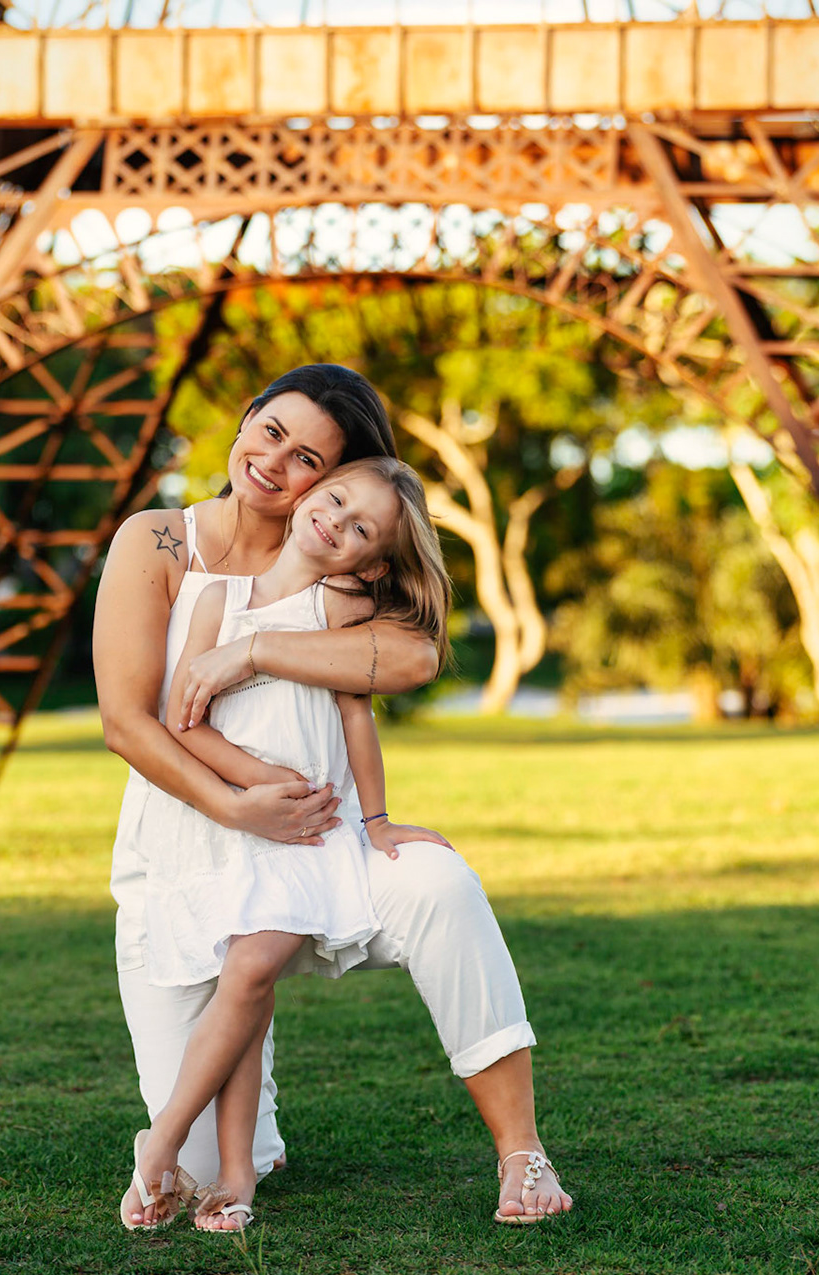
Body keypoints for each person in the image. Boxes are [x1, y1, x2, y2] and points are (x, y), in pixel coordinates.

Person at [94, 363, 573, 1227]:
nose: (277, 463)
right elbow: (131, 726)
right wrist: (237, 804)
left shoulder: (347, 575)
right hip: (189, 849)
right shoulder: (161, 543)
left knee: (438, 884)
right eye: (271, 431)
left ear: (340, 478)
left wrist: (256, 652)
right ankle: (240, 1138)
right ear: (245, 420)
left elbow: (417, 659)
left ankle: (523, 1157)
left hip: (318, 838)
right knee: (206, 1169)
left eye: (310, 458)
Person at [123, 457, 453, 1232]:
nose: (335, 520)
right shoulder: (214, 599)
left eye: (361, 528)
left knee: (251, 968)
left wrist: (375, 823)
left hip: (310, 832)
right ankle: (233, 1171)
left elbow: (356, 718)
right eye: (336, 498)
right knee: (247, 989)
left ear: (370, 561)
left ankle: (162, 1139)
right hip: (239, 825)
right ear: (310, 494)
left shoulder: (340, 607)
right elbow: (183, 720)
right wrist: (255, 779)